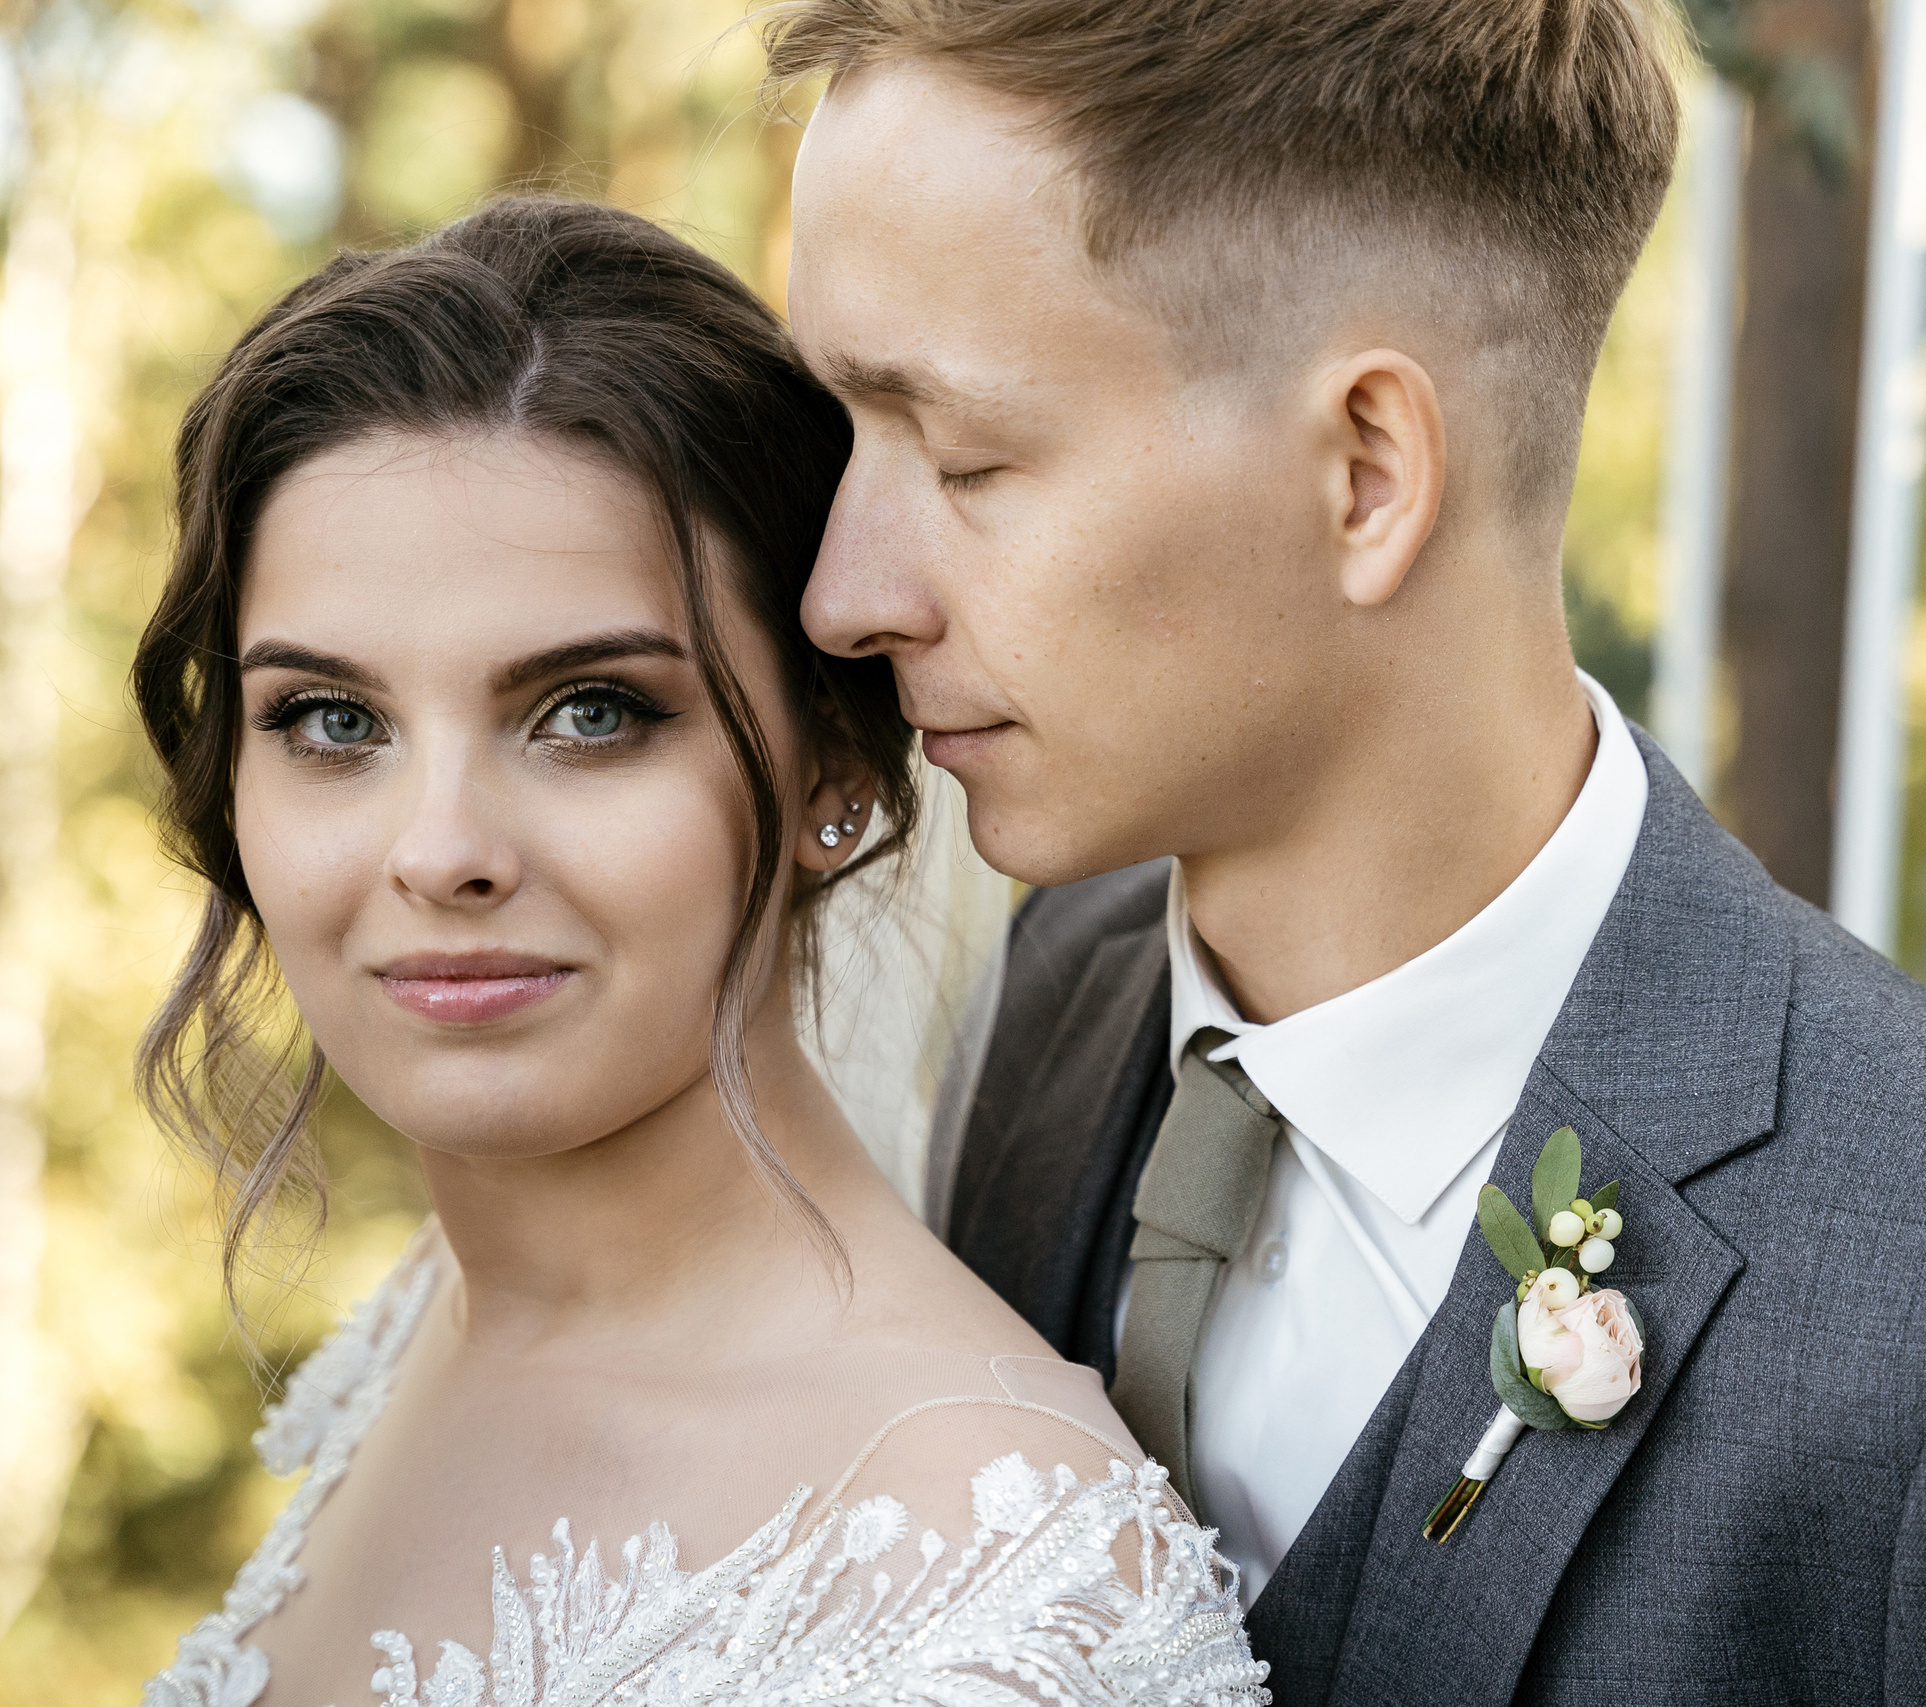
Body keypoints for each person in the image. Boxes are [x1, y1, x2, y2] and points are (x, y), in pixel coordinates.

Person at [770, 0, 1926, 1700]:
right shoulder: (1049, 1015)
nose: (845, 594)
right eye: (847, 440)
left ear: (1367, 472)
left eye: (968, 458)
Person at [133, 199, 1265, 1707]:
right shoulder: (429, 1312)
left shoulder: (985, 1573)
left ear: (830, 772)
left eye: (590, 711)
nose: (439, 848)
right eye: (332, 722)